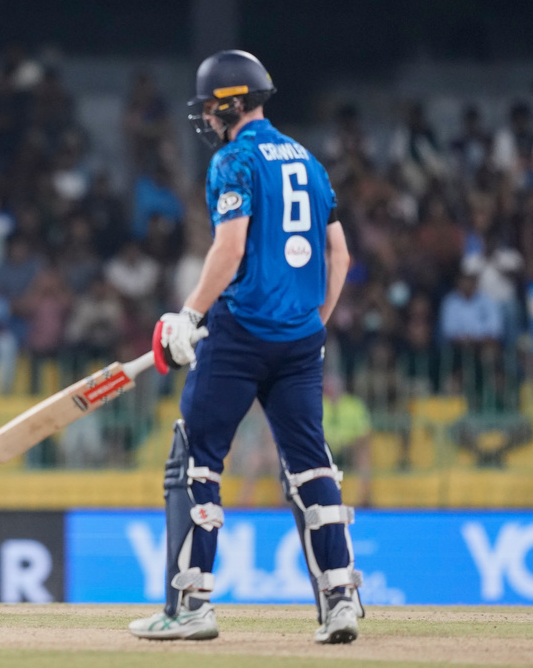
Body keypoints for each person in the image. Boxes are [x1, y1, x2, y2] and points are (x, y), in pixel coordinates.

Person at [128, 51, 359, 644]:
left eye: (210, 106)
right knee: (311, 465)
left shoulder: (233, 159)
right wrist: (312, 325)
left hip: (240, 333)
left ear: (231, 104)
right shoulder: (308, 160)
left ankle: (189, 607)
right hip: (300, 340)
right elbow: (340, 255)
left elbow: (229, 249)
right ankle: (340, 601)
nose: (206, 117)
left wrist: (188, 316)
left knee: (196, 460)